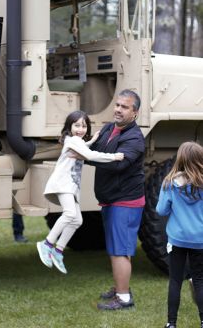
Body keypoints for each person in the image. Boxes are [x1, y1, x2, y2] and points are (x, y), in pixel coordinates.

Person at [36, 110, 124, 274]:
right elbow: (90, 155)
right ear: (69, 127)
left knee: (77, 220)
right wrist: (113, 157)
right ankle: (47, 244)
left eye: (84, 126)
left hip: (71, 187)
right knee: (69, 214)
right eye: (77, 125)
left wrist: (92, 140)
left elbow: (84, 148)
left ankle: (58, 250)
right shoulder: (73, 140)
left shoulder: (77, 142)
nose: (80, 129)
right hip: (63, 185)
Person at [87, 89, 145, 311]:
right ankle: (122, 287)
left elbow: (116, 164)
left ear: (135, 113)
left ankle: (123, 298)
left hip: (125, 202)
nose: (118, 110)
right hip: (112, 199)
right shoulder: (111, 128)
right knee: (117, 248)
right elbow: (96, 150)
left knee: (120, 250)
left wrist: (86, 156)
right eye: (117, 105)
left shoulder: (134, 138)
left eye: (125, 107)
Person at [156, 141, 203, 328]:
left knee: (175, 281)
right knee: (199, 280)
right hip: (200, 240)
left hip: (177, 240)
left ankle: (171, 323)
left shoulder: (169, 183)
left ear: (180, 159)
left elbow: (161, 210)